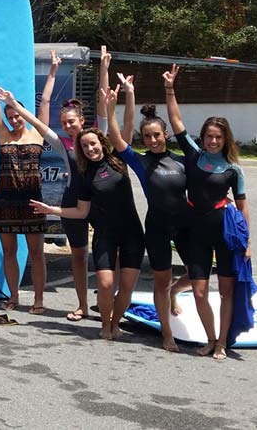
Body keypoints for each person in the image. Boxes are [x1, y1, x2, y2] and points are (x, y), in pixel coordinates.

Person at [29, 86, 145, 340]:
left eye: (93, 144)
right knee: (100, 278)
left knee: (126, 285)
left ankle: (114, 320)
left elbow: (123, 124)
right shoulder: (82, 173)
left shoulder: (117, 158)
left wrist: (127, 94)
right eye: (85, 146)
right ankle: (102, 319)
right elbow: (82, 212)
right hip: (102, 227)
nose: (90, 148)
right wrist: (51, 209)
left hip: (131, 231)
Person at [163, 64, 250, 360]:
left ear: (226, 139)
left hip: (225, 231)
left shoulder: (234, 169)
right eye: (209, 136)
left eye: (218, 137)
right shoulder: (194, 155)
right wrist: (169, 88)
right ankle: (210, 338)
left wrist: (247, 242)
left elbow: (242, 206)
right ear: (203, 137)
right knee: (200, 290)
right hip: (196, 231)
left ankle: (222, 343)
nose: (213, 141)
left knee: (226, 292)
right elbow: (175, 122)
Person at [105, 77, 190, 352]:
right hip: (156, 228)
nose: (153, 140)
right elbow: (117, 140)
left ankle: (178, 290)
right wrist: (112, 107)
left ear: (165, 135)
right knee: (161, 281)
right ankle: (168, 334)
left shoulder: (181, 161)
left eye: (157, 135)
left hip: (185, 226)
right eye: (148, 136)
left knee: (198, 274)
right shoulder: (141, 161)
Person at [37, 49, 122, 322]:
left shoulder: (97, 137)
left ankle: (111, 299)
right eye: (63, 123)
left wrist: (104, 69)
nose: (67, 126)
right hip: (73, 200)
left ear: (82, 121)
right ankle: (83, 305)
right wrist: (51, 72)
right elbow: (42, 114)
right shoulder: (63, 145)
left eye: (71, 122)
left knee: (110, 254)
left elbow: (103, 101)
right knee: (78, 256)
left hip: (102, 203)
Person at [0, 53, 51, 313]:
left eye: (17, 116)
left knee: (36, 254)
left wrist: (53, 72)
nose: (13, 120)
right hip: (5, 202)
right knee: (9, 253)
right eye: (10, 117)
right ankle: (13, 296)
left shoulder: (37, 134)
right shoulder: (3, 135)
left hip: (33, 202)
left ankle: (39, 300)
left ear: (23, 114)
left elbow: (44, 102)